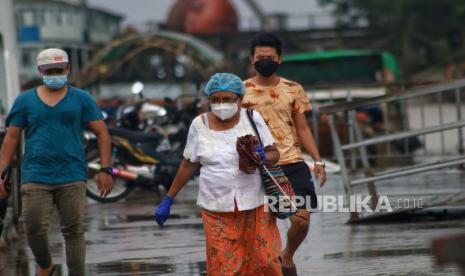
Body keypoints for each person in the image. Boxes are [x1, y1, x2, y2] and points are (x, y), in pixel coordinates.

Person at [155, 73, 283, 275]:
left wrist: (264, 157)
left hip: (256, 203)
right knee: (225, 266)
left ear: (239, 99)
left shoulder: (252, 118)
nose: (221, 104)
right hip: (215, 207)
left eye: (227, 99)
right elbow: (188, 164)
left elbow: (274, 153)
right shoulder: (199, 124)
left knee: (265, 261)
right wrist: (168, 199)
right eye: (215, 100)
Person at [0, 48, 114, 276]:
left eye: (59, 70)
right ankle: (45, 264)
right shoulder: (25, 101)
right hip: (35, 174)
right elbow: (12, 136)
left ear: (68, 69)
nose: (54, 74)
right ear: (40, 71)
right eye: (49, 70)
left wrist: (105, 169)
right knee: (32, 226)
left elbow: (102, 133)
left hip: (72, 174)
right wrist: (1, 172)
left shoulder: (81, 98)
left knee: (74, 231)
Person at [242, 32, 327, 276]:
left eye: (270, 57)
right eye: (260, 57)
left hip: (292, 162)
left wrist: (317, 160)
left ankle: (287, 255)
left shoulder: (293, 89)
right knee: (261, 227)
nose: (265, 61)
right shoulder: (240, 91)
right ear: (251, 59)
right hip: (257, 167)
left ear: (280, 59)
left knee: (301, 219)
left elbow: (303, 127)